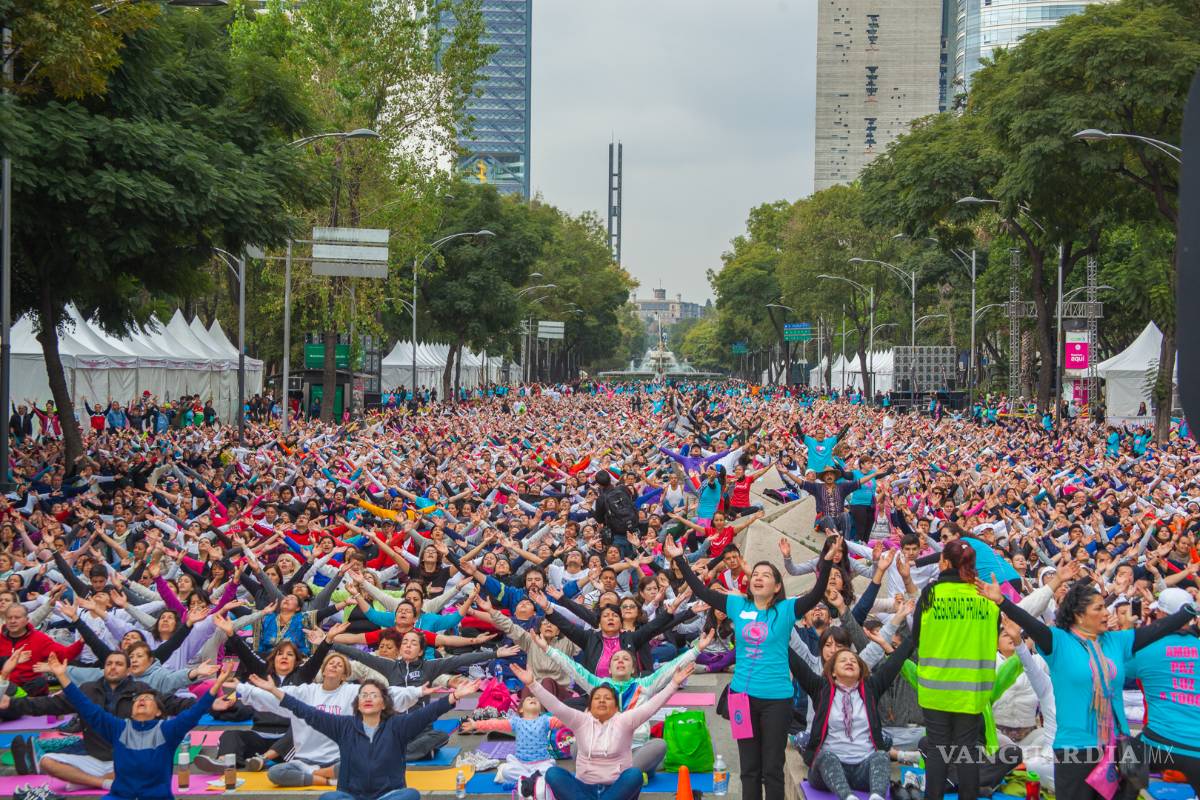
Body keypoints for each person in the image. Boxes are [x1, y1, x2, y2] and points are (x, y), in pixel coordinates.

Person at [978, 577, 1198, 800]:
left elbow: (1159, 628)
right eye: (1099, 608)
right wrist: (1003, 602)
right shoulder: (1058, 642)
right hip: (1075, 750)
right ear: (1079, 615)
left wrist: (1190, 609)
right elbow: (1030, 623)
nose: (1106, 613)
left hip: (1115, 749)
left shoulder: (1116, 641)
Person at [663, 532, 838, 800]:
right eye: (756, 573)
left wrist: (825, 563)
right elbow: (702, 591)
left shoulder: (787, 609)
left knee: (772, 769)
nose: (758, 577)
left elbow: (815, 595)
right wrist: (680, 560)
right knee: (749, 769)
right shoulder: (736, 604)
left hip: (776, 700)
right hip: (741, 698)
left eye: (766, 575)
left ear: (777, 586)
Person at [247, 672, 479, 800]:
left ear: (383, 702)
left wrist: (455, 695)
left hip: (389, 795)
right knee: (329, 799)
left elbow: (430, 711)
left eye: (374, 695)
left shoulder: (398, 726)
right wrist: (274, 691)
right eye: (363, 695)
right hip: (351, 797)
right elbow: (307, 712)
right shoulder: (344, 726)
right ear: (357, 702)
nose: (367, 698)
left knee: (409, 795)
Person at [44, 653, 234, 800]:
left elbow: (196, 711)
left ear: (159, 712)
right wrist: (62, 676)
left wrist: (217, 685)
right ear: (132, 710)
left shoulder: (168, 730)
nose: (142, 699)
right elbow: (86, 707)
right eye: (138, 699)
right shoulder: (118, 728)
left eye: (148, 699)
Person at [509, 659, 693, 800]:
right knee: (553, 774)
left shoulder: (625, 720)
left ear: (616, 707)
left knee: (634, 775)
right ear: (589, 706)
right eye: (597, 698)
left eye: (608, 698)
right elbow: (556, 706)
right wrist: (533, 684)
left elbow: (652, 705)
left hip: (616, 789)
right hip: (582, 789)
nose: (602, 700)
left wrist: (673, 684)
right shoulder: (581, 720)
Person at [909, 540, 998, 800]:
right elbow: (995, 635)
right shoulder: (987, 598)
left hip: (936, 688)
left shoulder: (931, 594)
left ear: (945, 563)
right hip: (972, 691)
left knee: (937, 749)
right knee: (967, 751)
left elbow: (917, 639)